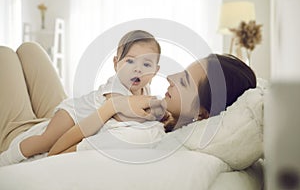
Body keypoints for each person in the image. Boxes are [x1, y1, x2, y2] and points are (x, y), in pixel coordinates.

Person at [0, 30, 165, 166]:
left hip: (80, 121)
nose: (138, 69)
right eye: (130, 61)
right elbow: (118, 112)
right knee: (46, 140)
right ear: (116, 64)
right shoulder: (115, 86)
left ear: (156, 71)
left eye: (146, 65)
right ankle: (7, 159)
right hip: (72, 114)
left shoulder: (144, 89)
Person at [47, 53, 256, 156]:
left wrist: (113, 106)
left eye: (183, 81)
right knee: (30, 53)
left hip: (37, 132)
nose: (169, 77)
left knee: (27, 53)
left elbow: (55, 154)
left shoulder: (142, 135)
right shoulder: (164, 118)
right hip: (55, 116)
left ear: (202, 114)